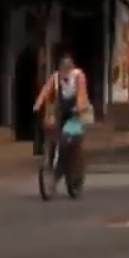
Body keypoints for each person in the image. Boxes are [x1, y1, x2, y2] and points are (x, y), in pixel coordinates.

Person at [33, 48, 90, 182]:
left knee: (73, 140)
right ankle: (53, 162)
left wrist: (79, 107)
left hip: (76, 110)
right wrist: (38, 104)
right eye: (62, 67)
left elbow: (82, 93)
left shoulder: (78, 76)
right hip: (62, 110)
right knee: (53, 133)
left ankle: (76, 167)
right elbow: (46, 90)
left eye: (67, 67)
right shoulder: (56, 77)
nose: (65, 71)